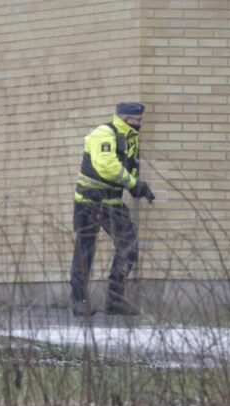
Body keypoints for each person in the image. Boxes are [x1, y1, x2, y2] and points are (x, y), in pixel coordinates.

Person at [69, 102, 156, 317]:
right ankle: (78, 301)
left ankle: (115, 301)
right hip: (89, 201)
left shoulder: (130, 138)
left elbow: (126, 168)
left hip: (113, 203)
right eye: (137, 120)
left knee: (129, 247)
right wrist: (134, 184)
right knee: (85, 251)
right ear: (126, 118)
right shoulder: (104, 133)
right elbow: (107, 166)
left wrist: (138, 186)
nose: (140, 124)